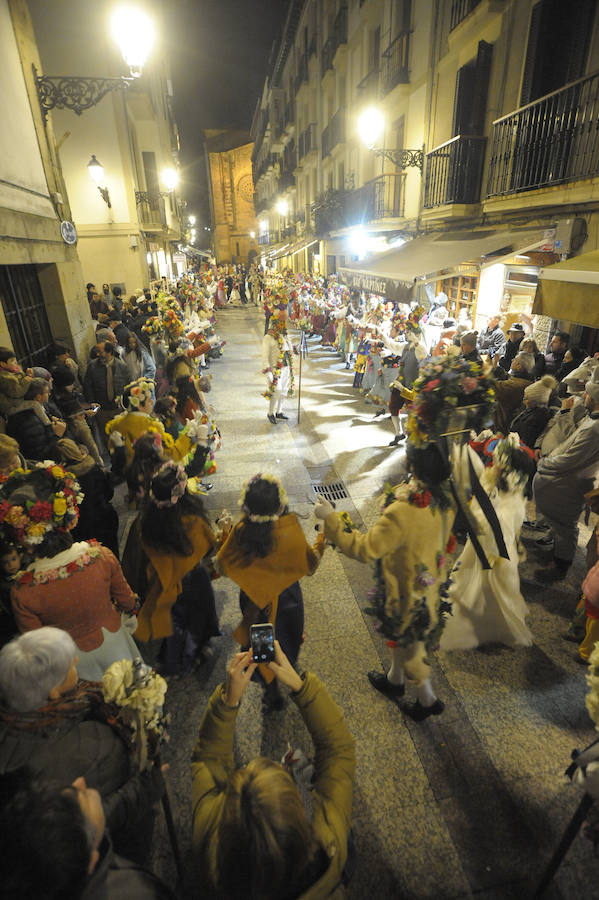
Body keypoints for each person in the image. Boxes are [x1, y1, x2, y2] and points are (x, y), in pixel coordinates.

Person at [191, 642, 355, 900]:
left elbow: (207, 760)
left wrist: (229, 701)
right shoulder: (328, 840)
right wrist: (301, 687)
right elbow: (339, 749)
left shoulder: (209, 839)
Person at [315, 442, 456, 721]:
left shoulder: (402, 511)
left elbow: (365, 548)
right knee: (401, 635)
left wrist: (331, 519)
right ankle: (394, 680)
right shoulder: (444, 499)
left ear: (413, 465)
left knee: (410, 643)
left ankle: (427, 700)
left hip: (403, 589)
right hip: (427, 583)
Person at [0, 628, 165, 864]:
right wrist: (148, 785)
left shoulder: (24, 715)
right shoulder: (93, 745)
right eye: (69, 664)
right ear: (53, 691)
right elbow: (96, 816)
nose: (77, 659)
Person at [5, 465, 141, 680]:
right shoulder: (100, 556)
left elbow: (39, 648)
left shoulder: (23, 591)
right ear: (68, 520)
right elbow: (127, 601)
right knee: (132, 694)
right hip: (114, 642)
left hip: (72, 665)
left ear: (26, 541)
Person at [217, 473, 325, 710]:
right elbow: (311, 565)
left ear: (247, 507)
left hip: (255, 604)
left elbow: (222, 566)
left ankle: (271, 691)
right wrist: (322, 536)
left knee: (261, 645)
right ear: (280, 504)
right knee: (287, 637)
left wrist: (224, 533)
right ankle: (288, 671)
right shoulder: (290, 528)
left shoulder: (241, 532)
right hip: (288, 600)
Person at [0, 767, 176, 899]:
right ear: (92, 861)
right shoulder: (140, 893)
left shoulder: (67, 848)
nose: (80, 781)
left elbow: (104, 815)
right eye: (79, 795)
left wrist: (145, 787)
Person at [441, 434, 535, 651]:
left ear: (510, 473)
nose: (495, 467)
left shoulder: (511, 505)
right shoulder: (504, 487)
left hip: (493, 557)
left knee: (487, 590)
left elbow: (490, 530)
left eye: (500, 465)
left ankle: (484, 625)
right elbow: (480, 479)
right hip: (484, 548)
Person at [136, 461, 222, 675]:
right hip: (195, 579)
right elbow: (207, 547)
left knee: (177, 623)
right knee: (199, 616)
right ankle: (198, 650)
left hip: (166, 581)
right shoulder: (192, 521)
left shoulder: (148, 522)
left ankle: (178, 659)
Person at [6, 377, 66, 461]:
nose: (49, 394)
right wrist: (56, 435)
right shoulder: (28, 420)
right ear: (38, 397)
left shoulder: (40, 410)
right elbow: (39, 454)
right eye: (47, 392)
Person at [83, 341, 130, 445]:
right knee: (106, 437)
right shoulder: (92, 366)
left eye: (100, 352)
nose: (97, 354)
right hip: (101, 409)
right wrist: (93, 406)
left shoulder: (122, 367)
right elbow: (88, 387)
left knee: (121, 435)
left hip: (118, 408)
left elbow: (128, 387)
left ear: (109, 352)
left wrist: (126, 406)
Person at [262, 309, 296, 424]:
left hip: (286, 366)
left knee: (284, 390)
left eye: (284, 320)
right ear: (275, 321)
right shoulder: (269, 337)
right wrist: (268, 373)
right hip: (275, 369)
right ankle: (270, 413)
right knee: (277, 390)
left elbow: (289, 348)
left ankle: (279, 411)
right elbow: (264, 357)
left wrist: (295, 348)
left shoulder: (285, 334)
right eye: (281, 320)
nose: (283, 323)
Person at [509, 375, 557, 449]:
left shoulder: (536, 418)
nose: (523, 400)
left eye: (526, 398)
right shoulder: (531, 411)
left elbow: (525, 442)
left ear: (535, 401)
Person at [493, 351, 535, 434]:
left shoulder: (518, 385)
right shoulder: (525, 378)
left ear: (519, 366)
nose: (512, 360)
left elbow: (495, 387)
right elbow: (509, 378)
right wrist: (496, 367)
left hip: (502, 424)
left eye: (515, 359)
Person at [0, 347, 32, 420]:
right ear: (3, 364)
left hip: (17, 400)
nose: (15, 362)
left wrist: (27, 375)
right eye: (12, 361)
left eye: (15, 360)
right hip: (11, 406)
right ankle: (48, 425)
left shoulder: (13, 370)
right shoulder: (5, 377)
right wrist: (27, 380)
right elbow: (17, 392)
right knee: (35, 405)